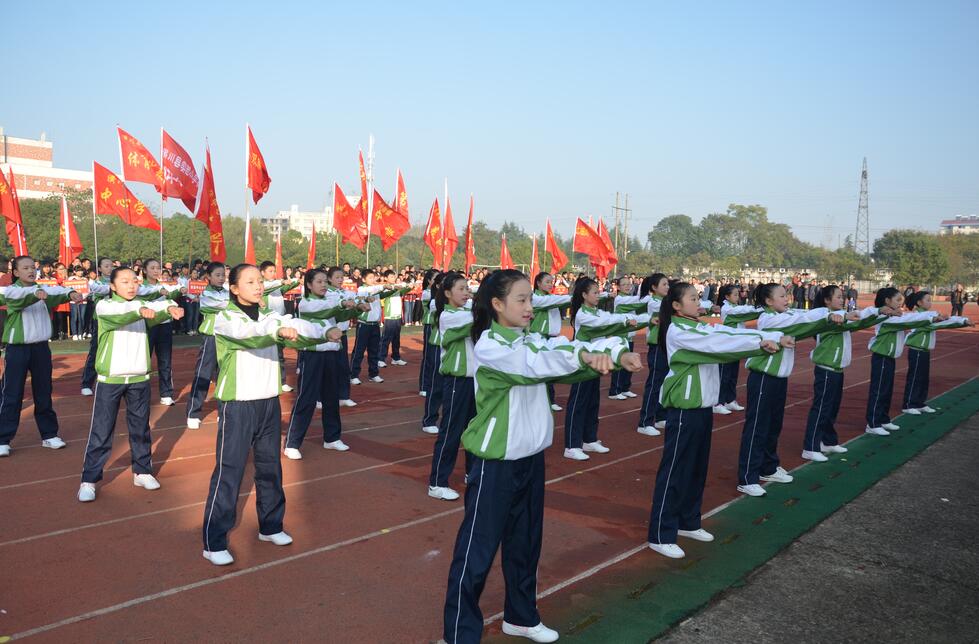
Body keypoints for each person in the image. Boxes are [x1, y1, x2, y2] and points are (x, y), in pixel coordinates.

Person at [442, 269, 640, 643]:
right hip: (495, 462)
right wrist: (585, 355)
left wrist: (610, 353)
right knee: (477, 550)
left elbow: (554, 350)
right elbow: (534, 365)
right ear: (497, 305)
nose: (529, 306)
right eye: (522, 299)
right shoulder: (490, 346)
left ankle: (520, 616)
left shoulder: (530, 338)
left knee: (526, 543)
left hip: (529, 459)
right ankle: (459, 633)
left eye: (531, 299)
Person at [200, 264, 330, 566]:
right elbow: (254, 335)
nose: (258, 286)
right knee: (230, 471)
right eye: (250, 281)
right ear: (234, 288)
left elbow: (297, 329)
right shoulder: (226, 318)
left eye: (260, 281)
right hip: (238, 404)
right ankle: (213, 539)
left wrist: (325, 332)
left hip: (268, 401)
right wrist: (278, 330)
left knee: (270, 467)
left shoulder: (271, 315)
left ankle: (271, 525)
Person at [647, 281, 787, 559]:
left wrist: (762, 337)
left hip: (702, 409)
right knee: (675, 470)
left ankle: (688, 521)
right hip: (685, 411)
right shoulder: (679, 331)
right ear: (676, 305)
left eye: (698, 297)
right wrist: (758, 344)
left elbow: (721, 332)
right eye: (691, 298)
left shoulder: (698, 326)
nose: (698, 301)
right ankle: (661, 533)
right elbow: (715, 344)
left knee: (697, 469)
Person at [77, 267, 185, 501]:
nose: (131, 285)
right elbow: (125, 314)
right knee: (102, 430)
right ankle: (89, 479)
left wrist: (169, 308)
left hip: (139, 378)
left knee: (140, 428)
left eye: (134, 281)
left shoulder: (143, 305)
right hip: (111, 379)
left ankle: (142, 471)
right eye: (124, 282)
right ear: (113, 286)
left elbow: (158, 309)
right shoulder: (105, 306)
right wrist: (145, 309)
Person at [736, 283, 844, 497]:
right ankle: (748, 477)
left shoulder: (784, 314)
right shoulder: (768, 319)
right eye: (782, 296)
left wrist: (829, 315)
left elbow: (801, 315)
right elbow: (797, 320)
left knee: (773, 425)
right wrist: (826, 316)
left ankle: (768, 467)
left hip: (779, 380)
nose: (788, 299)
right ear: (768, 301)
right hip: (763, 379)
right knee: (757, 426)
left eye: (787, 295)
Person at [0, 256, 83, 457]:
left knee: (44, 392)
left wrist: (71, 293)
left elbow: (60, 292)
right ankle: (3, 439)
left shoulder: (44, 289)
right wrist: (36, 294)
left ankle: (49, 434)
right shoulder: (12, 291)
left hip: (41, 350)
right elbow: (18, 300)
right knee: (12, 394)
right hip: (17, 349)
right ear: (16, 272)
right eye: (24, 268)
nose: (30, 270)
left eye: (32, 267)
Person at [801, 285, 890, 462]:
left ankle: (828, 441)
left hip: (837, 370)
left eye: (843, 297)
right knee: (821, 408)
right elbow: (851, 320)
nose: (842, 300)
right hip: (826, 370)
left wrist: (878, 313)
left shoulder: (841, 317)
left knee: (832, 408)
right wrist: (878, 310)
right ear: (827, 300)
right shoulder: (826, 318)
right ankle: (810, 446)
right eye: (838, 297)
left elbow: (858, 319)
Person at [563, 276, 649, 460]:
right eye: (594, 293)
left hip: (596, 359)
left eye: (598, 292)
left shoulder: (595, 311)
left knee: (592, 401)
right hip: (582, 361)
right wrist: (627, 321)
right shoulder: (582, 314)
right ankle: (571, 444)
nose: (598, 295)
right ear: (584, 295)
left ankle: (589, 439)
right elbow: (605, 324)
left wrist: (644, 320)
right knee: (578, 402)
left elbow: (611, 318)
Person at [283, 268, 357, 459]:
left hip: (332, 353)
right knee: (306, 398)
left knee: (331, 397)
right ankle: (292, 442)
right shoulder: (306, 303)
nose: (324, 285)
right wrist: (342, 303)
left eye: (325, 281)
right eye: (319, 281)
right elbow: (328, 310)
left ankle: (332, 438)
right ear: (309, 284)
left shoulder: (328, 301)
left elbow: (339, 315)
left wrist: (358, 308)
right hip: (313, 355)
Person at [864, 287, 943, 435]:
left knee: (886, 390)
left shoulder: (896, 316)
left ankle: (884, 419)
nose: (901, 303)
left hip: (890, 358)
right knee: (879, 390)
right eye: (898, 300)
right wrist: (931, 317)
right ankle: (873, 422)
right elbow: (910, 319)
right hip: (881, 357)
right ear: (887, 301)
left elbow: (907, 318)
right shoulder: (886, 318)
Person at [427, 272, 475, 501]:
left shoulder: (469, 311)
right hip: (457, 380)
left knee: (475, 429)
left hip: (476, 380)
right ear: (447, 293)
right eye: (461, 289)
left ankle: (472, 473)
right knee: (451, 431)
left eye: (468, 288)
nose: (466, 293)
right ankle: (437, 482)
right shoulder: (448, 316)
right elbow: (476, 322)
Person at [900, 290, 971, 415]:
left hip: (925, 351)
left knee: (923, 378)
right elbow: (938, 324)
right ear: (919, 302)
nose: (930, 302)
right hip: (916, 350)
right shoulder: (917, 316)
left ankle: (919, 403)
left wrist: (963, 321)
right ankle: (909, 404)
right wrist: (957, 322)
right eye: (927, 300)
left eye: (930, 300)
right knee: (915, 378)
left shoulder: (929, 314)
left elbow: (944, 320)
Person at [186, 262, 230, 430]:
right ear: (209, 277)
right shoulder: (205, 294)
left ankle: (223, 411)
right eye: (217, 275)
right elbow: (213, 306)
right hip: (211, 337)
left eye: (223, 275)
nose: (221, 278)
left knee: (224, 374)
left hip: (227, 337)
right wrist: (232, 304)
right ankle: (193, 412)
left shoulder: (228, 293)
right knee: (203, 374)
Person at [348, 270, 408, 385]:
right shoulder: (363, 289)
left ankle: (373, 373)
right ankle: (353, 375)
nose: (373, 280)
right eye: (370, 278)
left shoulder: (375, 290)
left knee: (374, 351)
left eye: (374, 278)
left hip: (375, 325)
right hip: (364, 325)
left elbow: (383, 294)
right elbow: (372, 290)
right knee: (359, 351)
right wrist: (384, 285)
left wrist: (395, 289)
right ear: (364, 279)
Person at [140, 259, 183, 406]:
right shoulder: (140, 287)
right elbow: (146, 295)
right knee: (144, 361)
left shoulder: (164, 286)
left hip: (164, 326)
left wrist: (179, 291)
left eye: (158, 268)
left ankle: (166, 393)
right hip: (149, 326)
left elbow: (171, 296)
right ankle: (141, 394)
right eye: (152, 268)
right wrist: (160, 291)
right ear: (145, 271)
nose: (156, 270)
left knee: (165, 361)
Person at [715, 284, 763, 414]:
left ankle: (730, 400)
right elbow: (745, 313)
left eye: (738, 294)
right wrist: (762, 308)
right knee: (724, 375)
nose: (738, 296)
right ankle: (718, 402)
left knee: (732, 375)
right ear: (727, 296)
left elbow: (744, 309)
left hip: (736, 346)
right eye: (735, 294)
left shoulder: (735, 307)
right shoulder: (727, 309)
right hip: (727, 346)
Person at [529, 271, 572, 412]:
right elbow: (554, 301)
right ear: (538, 283)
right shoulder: (535, 298)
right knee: (539, 371)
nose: (550, 284)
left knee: (550, 370)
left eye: (551, 281)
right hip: (538, 338)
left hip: (552, 339)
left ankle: (550, 399)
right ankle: (544, 401)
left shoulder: (552, 298)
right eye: (547, 281)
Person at [636, 273, 670, 436]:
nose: (667, 287)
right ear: (654, 288)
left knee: (664, 383)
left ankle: (660, 416)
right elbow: (669, 309)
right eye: (664, 284)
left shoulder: (664, 302)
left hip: (666, 345)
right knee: (654, 384)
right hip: (656, 346)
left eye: (668, 284)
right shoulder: (653, 302)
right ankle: (645, 421)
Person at [260, 260, 301, 391]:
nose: (273, 274)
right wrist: (282, 282)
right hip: (267, 324)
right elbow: (270, 287)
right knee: (267, 354)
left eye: (274, 271)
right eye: (270, 271)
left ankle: (281, 382)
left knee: (279, 354)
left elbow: (287, 286)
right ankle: (268, 382)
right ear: (262, 273)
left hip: (280, 324)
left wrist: (296, 280)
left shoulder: (277, 287)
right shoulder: (262, 286)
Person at [81, 257, 115, 396]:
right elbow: (97, 295)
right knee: (96, 350)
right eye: (106, 266)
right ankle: (87, 383)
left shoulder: (117, 281)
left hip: (116, 320)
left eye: (111, 265)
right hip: (100, 321)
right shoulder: (96, 283)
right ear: (99, 269)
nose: (109, 268)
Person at [608, 276, 646, 400]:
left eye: (629, 284)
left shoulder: (629, 299)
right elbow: (637, 301)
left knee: (629, 363)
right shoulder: (620, 299)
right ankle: (614, 390)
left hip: (629, 336)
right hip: (620, 336)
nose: (627, 286)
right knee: (620, 363)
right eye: (624, 284)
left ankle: (625, 388)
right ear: (618, 287)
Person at [421, 272, 446, 434]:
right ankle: (429, 419)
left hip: (452, 347)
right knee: (436, 384)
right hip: (438, 344)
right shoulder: (434, 303)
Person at [379, 269, 409, 368]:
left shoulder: (397, 288)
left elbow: (403, 291)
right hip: (389, 316)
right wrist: (398, 287)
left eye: (394, 276)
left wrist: (409, 287)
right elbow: (390, 292)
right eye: (391, 277)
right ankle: (381, 358)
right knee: (386, 338)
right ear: (386, 278)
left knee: (396, 339)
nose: (393, 278)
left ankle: (396, 358)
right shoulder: (386, 289)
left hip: (397, 316)